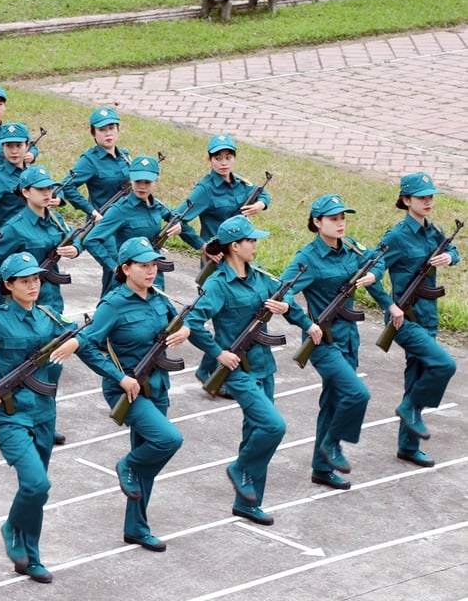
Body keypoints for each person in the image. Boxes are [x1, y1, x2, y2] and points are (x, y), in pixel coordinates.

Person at [0, 252, 82, 583]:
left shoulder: (48, 315)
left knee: (36, 491)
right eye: (25, 281)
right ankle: (11, 528)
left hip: (45, 414)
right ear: (8, 285)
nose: (33, 285)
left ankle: (31, 556)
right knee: (37, 483)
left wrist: (76, 340)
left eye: (36, 279)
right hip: (10, 415)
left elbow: (79, 334)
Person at [184, 215, 311, 527]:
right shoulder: (217, 285)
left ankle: (248, 503)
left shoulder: (260, 277)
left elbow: (287, 300)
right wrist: (218, 353)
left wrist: (303, 320)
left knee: (256, 433)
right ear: (234, 246)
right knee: (273, 427)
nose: (255, 245)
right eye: (250, 240)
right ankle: (239, 468)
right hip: (238, 371)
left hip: (264, 366)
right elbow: (192, 322)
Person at [78, 238, 186, 552]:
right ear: (126, 269)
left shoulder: (159, 298)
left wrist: (185, 331)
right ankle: (127, 464)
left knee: (149, 455)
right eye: (143, 265)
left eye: (154, 264)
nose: (151, 270)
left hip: (158, 386)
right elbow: (87, 345)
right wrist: (119, 377)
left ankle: (137, 528)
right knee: (167, 440)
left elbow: (176, 324)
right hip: (128, 391)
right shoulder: (113, 304)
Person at [281, 195, 389, 490]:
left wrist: (377, 283)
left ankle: (321, 468)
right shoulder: (307, 258)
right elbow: (283, 293)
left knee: (332, 402)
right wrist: (305, 322)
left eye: (343, 217)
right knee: (357, 394)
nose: (340, 223)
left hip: (349, 340)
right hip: (323, 343)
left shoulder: (352, 247)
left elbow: (377, 266)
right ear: (317, 223)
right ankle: (332, 443)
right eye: (333, 219)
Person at [372, 173, 459, 469]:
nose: (428, 202)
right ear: (406, 200)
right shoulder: (395, 236)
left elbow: (452, 250)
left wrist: (450, 258)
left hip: (428, 317)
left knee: (418, 377)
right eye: (422, 197)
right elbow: (371, 271)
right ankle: (409, 408)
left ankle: (408, 447)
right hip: (405, 321)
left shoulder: (433, 231)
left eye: (431, 197)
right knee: (444, 365)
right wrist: (389, 305)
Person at [177, 134, 270, 388]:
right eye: (218, 158)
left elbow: (264, 195)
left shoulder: (240, 185)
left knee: (232, 317)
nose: (223, 162)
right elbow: (178, 218)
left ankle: (208, 369)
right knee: (223, 318)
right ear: (210, 160)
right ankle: (218, 372)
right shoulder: (205, 189)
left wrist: (260, 204)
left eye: (228, 157)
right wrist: (202, 245)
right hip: (217, 261)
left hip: (239, 257)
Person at [84, 154, 203, 293]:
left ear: (156, 181)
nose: (141, 186)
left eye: (147, 182)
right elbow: (91, 240)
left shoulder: (158, 206)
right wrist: (113, 267)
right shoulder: (120, 210)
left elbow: (177, 219)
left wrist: (184, 231)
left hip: (153, 277)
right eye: (137, 181)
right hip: (130, 281)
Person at [0, 166, 79, 314]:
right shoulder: (15, 227)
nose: (47, 193)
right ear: (26, 192)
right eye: (40, 189)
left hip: (53, 299)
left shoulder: (56, 220)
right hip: (26, 303)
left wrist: (76, 248)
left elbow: (75, 235)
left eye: (49, 188)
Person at [61, 107, 132, 221]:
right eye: (102, 129)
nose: (108, 133)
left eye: (111, 128)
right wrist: (92, 212)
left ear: (118, 129)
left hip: (127, 220)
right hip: (104, 223)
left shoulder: (124, 156)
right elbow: (67, 186)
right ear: (93, 133)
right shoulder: (89, 160)